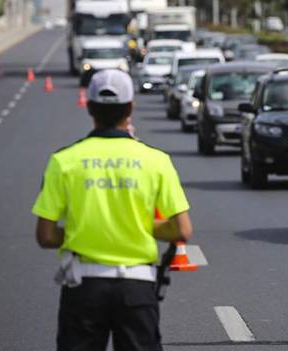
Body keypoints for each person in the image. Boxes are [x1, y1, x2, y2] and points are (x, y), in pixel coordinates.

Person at [32, 69, 192, 351]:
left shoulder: (64, 161)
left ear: (90, 107)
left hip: (83, 287)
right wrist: (143, 227)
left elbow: (45, 236)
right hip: (137, 287)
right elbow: (182, 229)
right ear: (130, 108)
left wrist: (81, 231)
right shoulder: (156, 161)